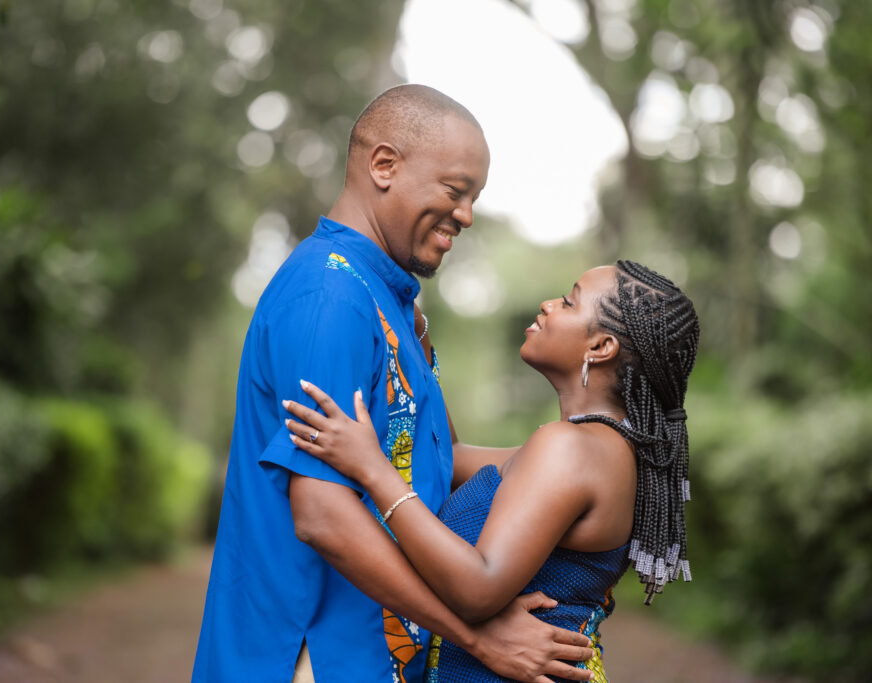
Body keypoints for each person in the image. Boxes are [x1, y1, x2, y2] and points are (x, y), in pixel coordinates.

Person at [192, 84, 595, 683]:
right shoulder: (329, 298)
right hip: (309, 658)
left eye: (474, 198)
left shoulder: (388, 301)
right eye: (454, 191)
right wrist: (478, 638)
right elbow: (321, 514)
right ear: (384, 165)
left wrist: (589, 458)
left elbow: (436, 459)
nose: (466, 215)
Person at [284, 260, 700, 682]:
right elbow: (450, 456)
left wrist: (373, 470)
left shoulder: (571, 449)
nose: (548, 304)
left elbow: (476, 590)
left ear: (600, 347)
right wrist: (420, 345)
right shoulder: (597, 448)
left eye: (568, 302)